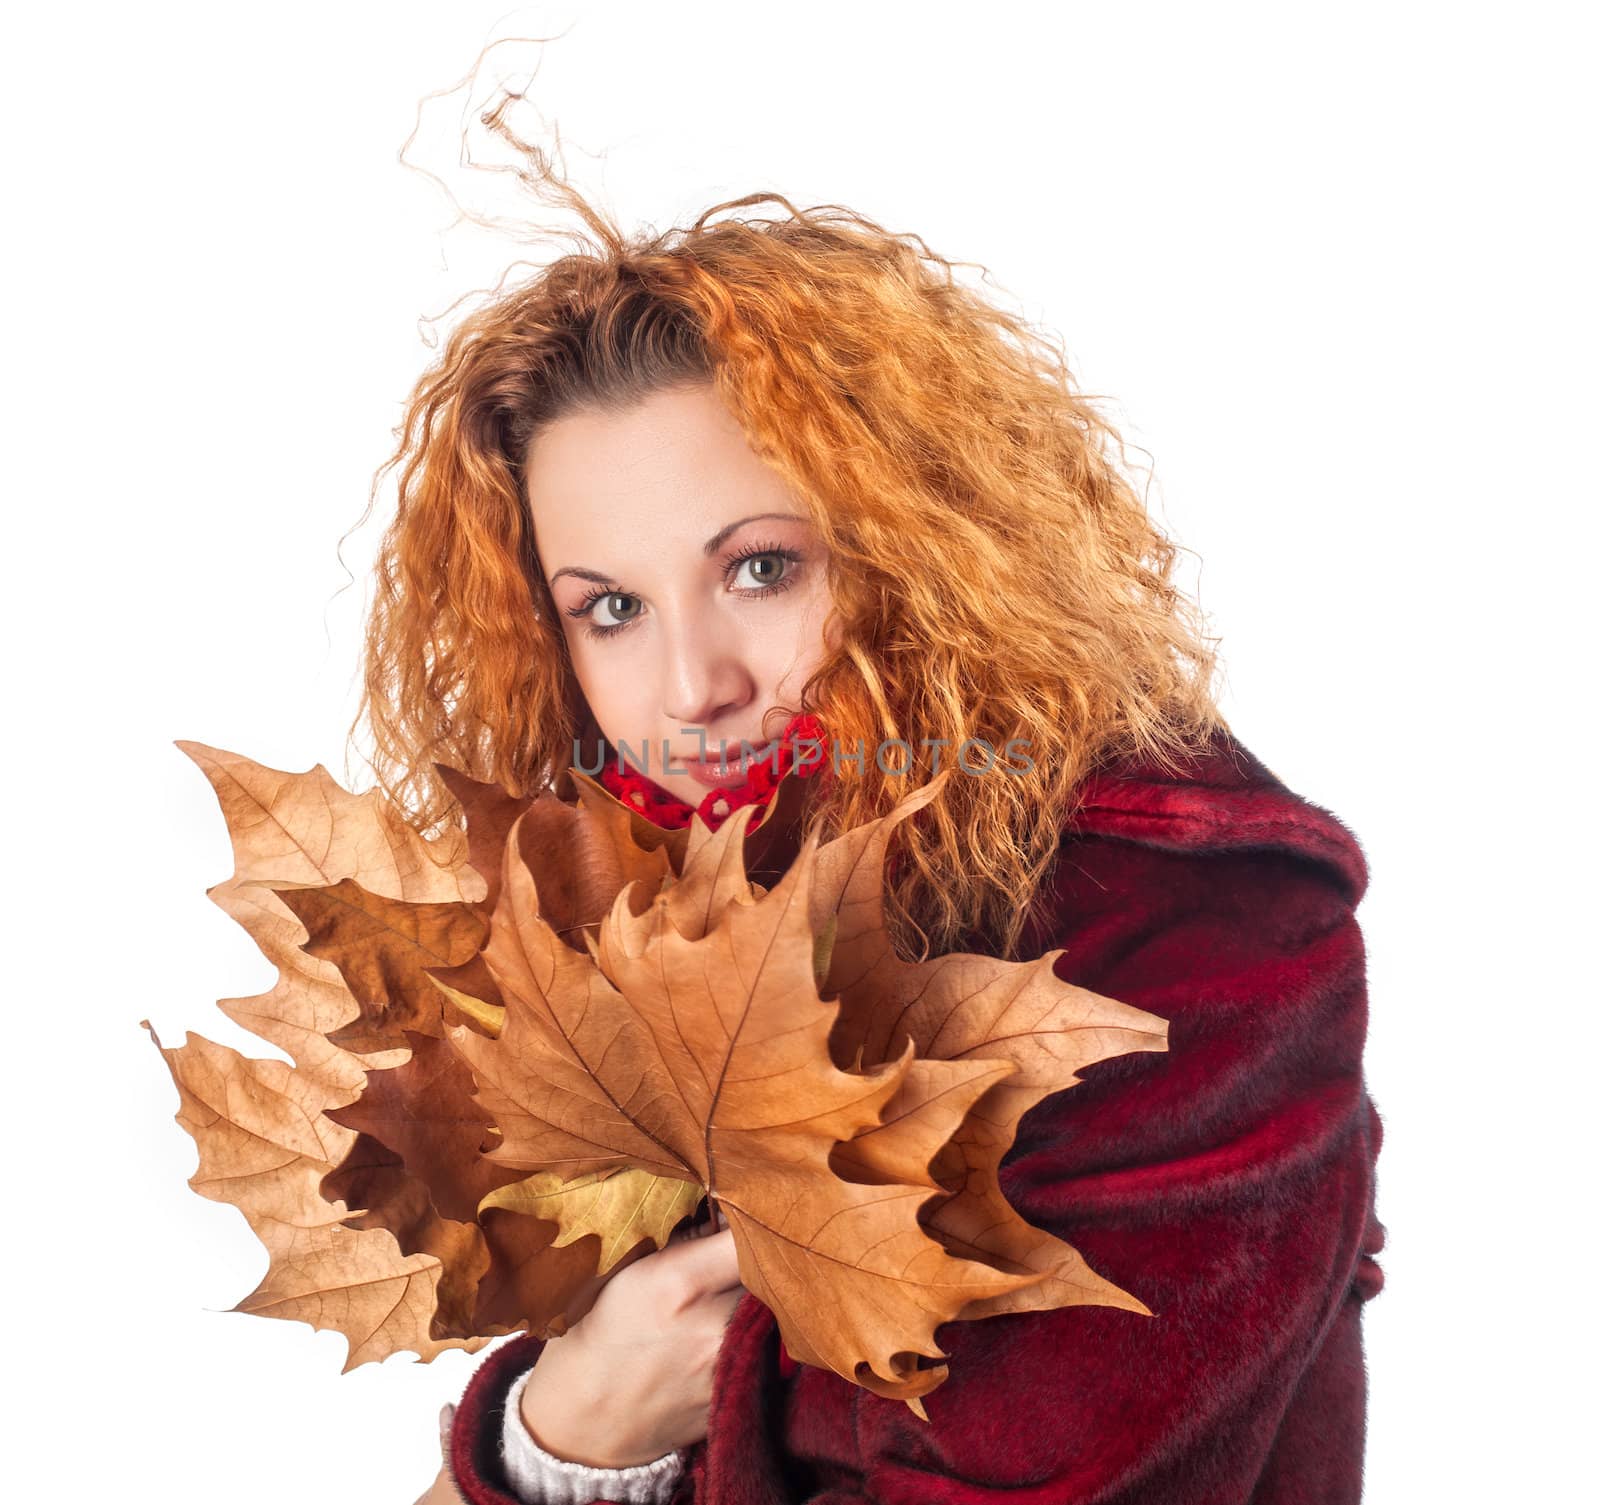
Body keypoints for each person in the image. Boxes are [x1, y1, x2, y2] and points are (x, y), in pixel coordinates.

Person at [357, 110, 1386, 1505]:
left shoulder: (1185, 913)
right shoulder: (651, 918)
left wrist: (617, 1418)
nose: (691, 685)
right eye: (610, 607)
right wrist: (561, 1432)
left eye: (763, 569)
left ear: (925, 547)